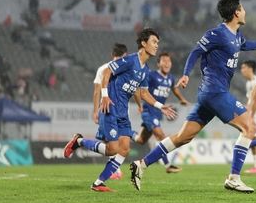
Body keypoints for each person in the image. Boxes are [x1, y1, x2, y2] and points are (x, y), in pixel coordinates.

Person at [129, 0, 256, 193]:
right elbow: (196, 52)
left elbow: (245, 45)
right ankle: (234, 178)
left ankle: (141, 165)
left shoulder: (236, 35)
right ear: (235, 13)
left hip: (210, 95)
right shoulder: (217, 34)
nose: (244, 11)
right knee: (250, 126)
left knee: (182, 137)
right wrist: (186, 74)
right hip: (214, 92)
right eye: (242, 8)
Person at [64, 28, 177, 192]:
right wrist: (104, 95)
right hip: (110, 107)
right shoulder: (130, 60)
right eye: (154, 42)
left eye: (158, 43)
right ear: (144, 43)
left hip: (123, 112)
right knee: (113, 149)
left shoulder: (145, 70)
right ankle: (79, 141)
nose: (156, 46)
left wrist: (161, 106)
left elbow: (144, 93)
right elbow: (107, 71)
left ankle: (98, 183)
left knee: (124, 148)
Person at [133, 52, 189, 173]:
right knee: (161, 136)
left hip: (158, 113)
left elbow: (174, 88)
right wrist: (139, 104)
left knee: (141, 140)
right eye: (164, 61)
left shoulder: (170, 78)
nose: (167, 63)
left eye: (169, 61)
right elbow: (139, 89)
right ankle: (168, 165)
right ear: (158, 63)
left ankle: (127, 132)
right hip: (148, 111)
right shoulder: (151, 75)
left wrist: (182, 99)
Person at [91, 42, 129, 180]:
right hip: (111, 109)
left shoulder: (102, 68)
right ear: (126, 55)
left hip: (107, 109)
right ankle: (114, 170)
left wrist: (95, 111)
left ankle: (114, 170)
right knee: (113, 144)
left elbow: (96, 92)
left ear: (112, 55)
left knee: (116, 142)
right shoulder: (122, 68)